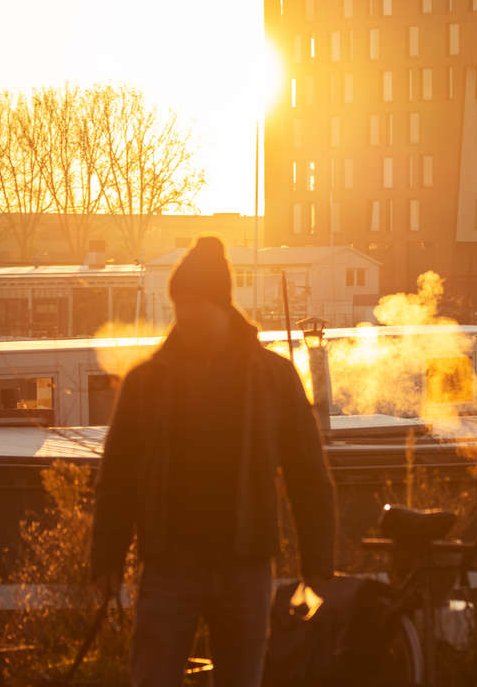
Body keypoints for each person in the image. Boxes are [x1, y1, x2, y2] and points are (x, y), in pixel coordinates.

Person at [91, 235, 336, 686]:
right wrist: (106, 560)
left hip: (236, 566)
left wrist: (318, 567)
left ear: (221, 306)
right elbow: (118, 475)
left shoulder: (271, 378)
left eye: (193, 306)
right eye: (179, 307)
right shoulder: (150, 381)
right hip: (176, 564)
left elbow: (308, 476)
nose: (185, 318)